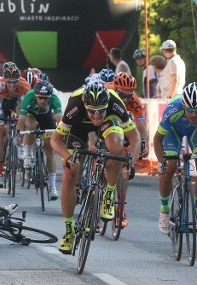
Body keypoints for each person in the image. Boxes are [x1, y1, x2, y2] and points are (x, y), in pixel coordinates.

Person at [50, 82, 141, 254]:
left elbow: (135, 137)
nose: (97, 116)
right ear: (85, 106)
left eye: (100, 110)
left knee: (117, 147)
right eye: (92, 111)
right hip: (79, 127)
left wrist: (130, 163)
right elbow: (55, 140)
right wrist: (68, 157)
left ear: (107, 105)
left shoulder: (115, 103)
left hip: (108, 124)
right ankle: (69, 230)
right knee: (69, 171)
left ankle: (108, 195)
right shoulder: (75, 104)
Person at [154, 83, 197, 233]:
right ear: (184, 105)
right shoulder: (173, 109)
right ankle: (164, 210)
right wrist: (161, 161)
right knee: (169, 167)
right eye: (190, 110)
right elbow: (157, 139)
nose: (193, 114)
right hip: (174, 131)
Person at [105, 72, 150, 227]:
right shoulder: (107, 91)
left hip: (123, 124)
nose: (125, 98)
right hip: (105, 121)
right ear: (115, 88)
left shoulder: (133, 100)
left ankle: (120, 208)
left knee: (125, 165)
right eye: (122, 94)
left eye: (128, 94)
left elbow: (141, 126)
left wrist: (144, 143)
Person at [14, 80, 62, 200]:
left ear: (49, 97)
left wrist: (59, 135)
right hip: (31, 115)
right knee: (31, 125)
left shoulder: (55, 99)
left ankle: (52, 186)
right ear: (35, 95)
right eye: (40, 97)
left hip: (46, 117)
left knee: (49, 150)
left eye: (45, 98)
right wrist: (18, 136)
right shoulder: (29, 97)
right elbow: (21, 121)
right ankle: (29, 153)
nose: (42, 101)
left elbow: (59, 121)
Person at [0, 63, 31, 182]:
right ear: (5, 80)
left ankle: (20, 143)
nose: (12, 85)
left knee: (22, 114)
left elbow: (28, 103)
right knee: (2, 132)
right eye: (9, 82)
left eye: (14, 82)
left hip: (16, 103)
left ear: (18, 80)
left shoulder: (24, 84)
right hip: (2, 104)